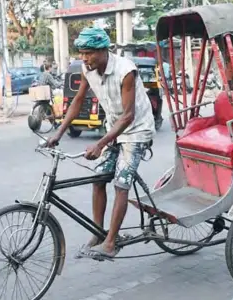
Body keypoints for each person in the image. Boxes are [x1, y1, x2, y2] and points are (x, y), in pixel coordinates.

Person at [46, 27, 155, 260]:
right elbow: (77, 100)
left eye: (89, 53)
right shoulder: (88, 69)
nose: (84, 58)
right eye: (81, 53)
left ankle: (111, 242)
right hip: (114, 128)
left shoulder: (126, 71)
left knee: (121, 183)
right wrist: (59, 132)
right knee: (98, 179)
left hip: (136, 130)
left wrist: (100, 144)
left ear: (104, 50)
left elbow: (128, 116)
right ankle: (98, 233)